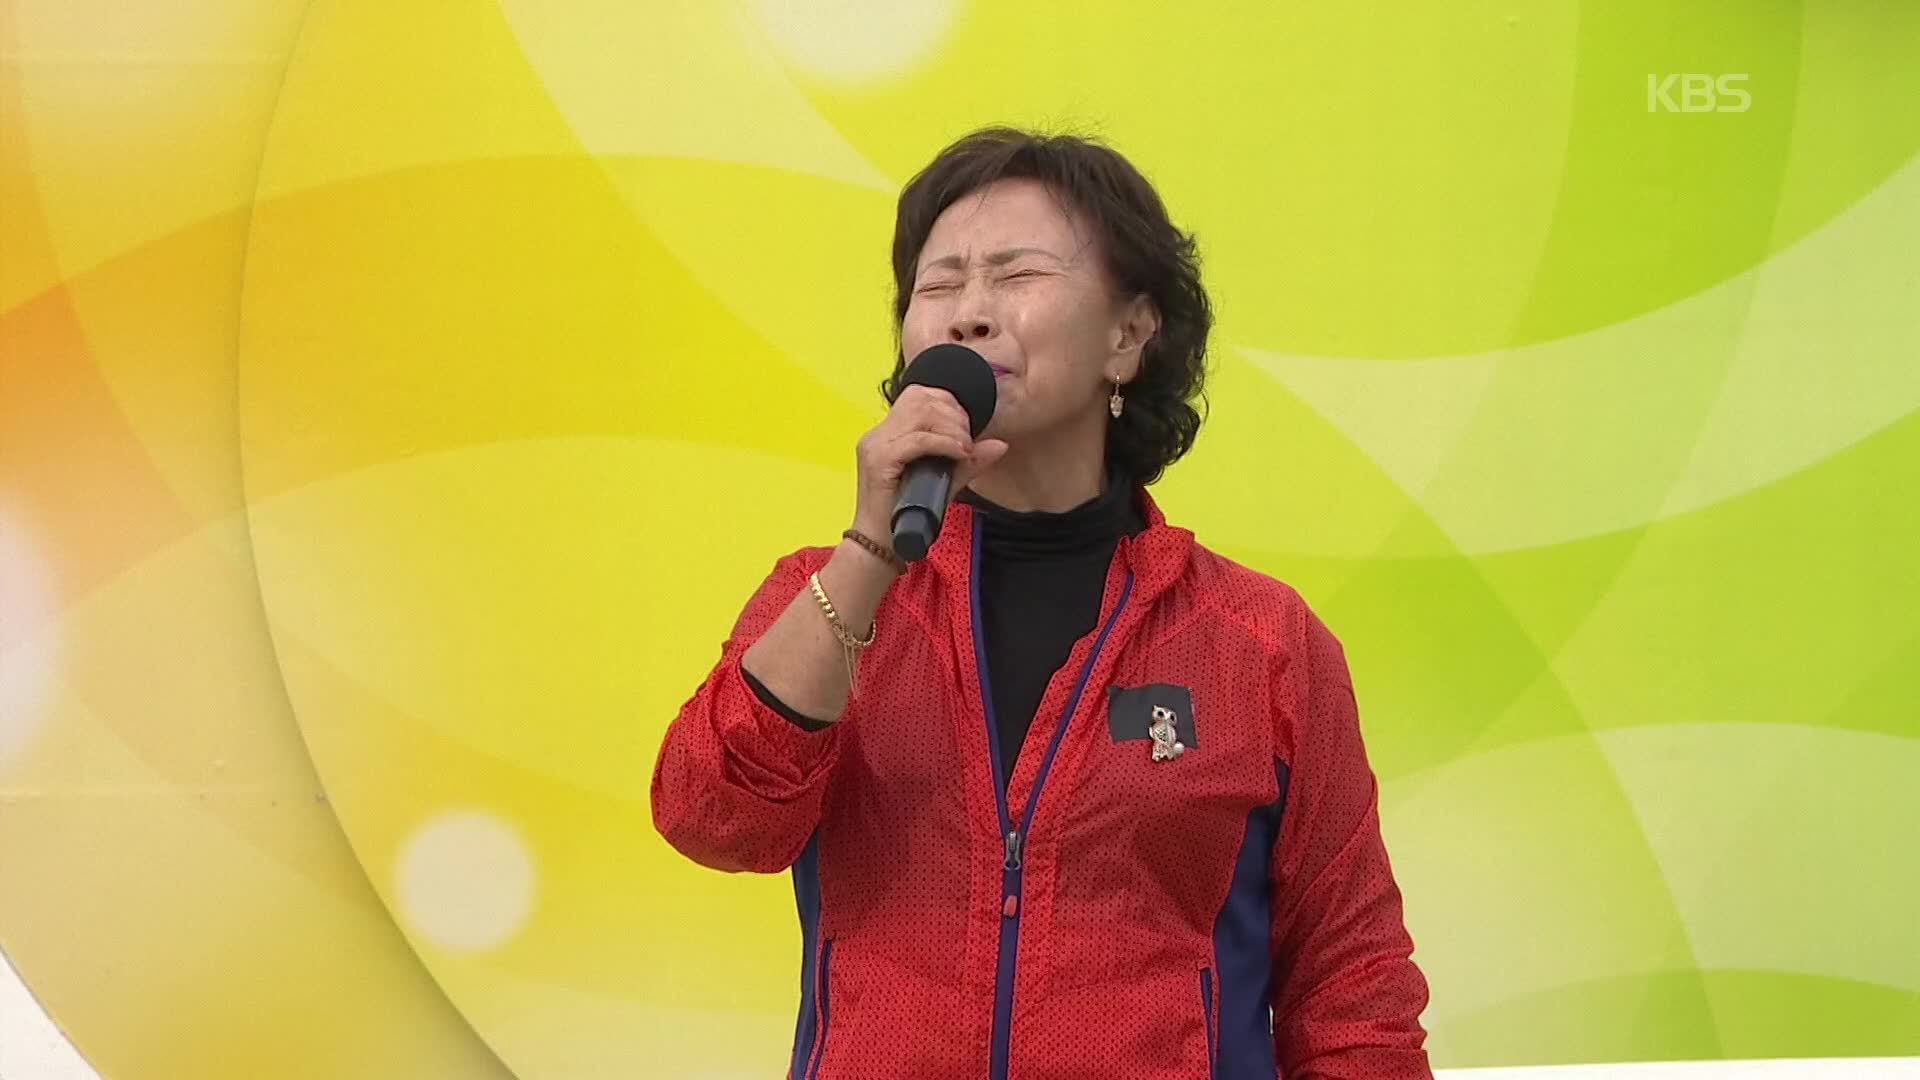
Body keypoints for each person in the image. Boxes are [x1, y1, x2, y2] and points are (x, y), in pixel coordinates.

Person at [651, 126, 1431, 1079]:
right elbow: (711, 819)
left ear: (1128, 336)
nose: (970, 315)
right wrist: (869, 549)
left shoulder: (1259, 640)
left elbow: (1353, 986)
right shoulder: (826, 596)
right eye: (938, 286)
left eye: (1016, 275)